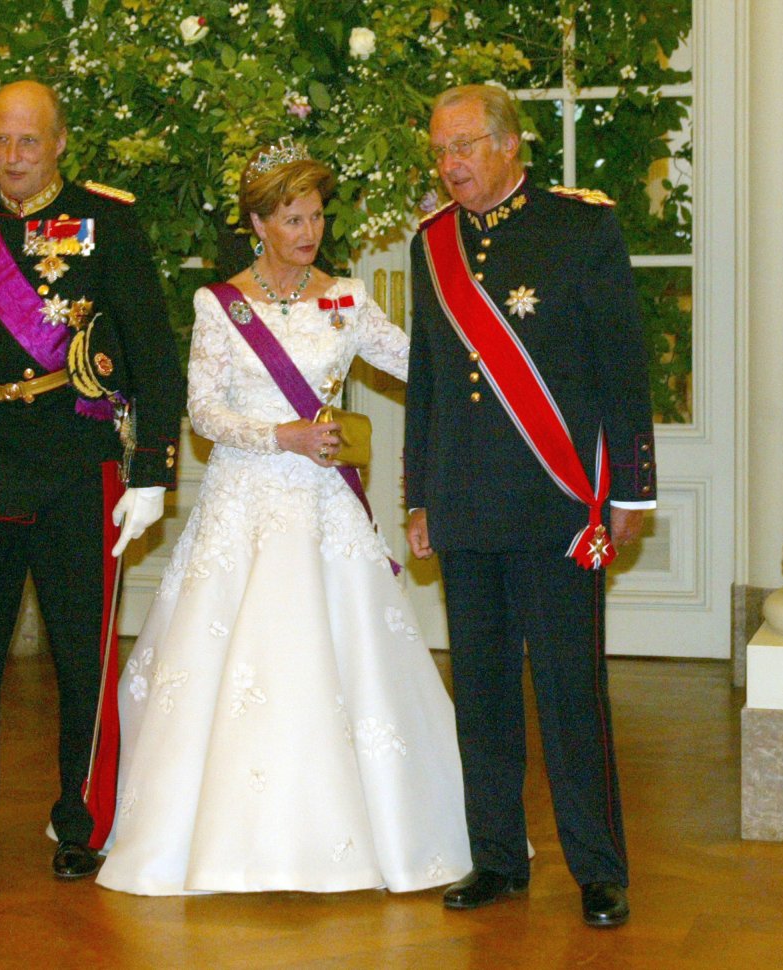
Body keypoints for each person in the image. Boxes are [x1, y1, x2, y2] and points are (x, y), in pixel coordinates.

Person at [95, 140, 472, 895]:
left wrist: (460, 292)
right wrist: (283, 436)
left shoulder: (347, 299)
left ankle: (378, 834)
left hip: (325, 508)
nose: (309, 232)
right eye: (293, 218)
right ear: (259, 223)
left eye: (317, 217)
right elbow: (202, 410)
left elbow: (424, 363)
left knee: (348, 660)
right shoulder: (219, 305)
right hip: (243, 502)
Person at [0, 80, 183, 879]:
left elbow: (154, 353)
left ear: (59, 143)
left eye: (29, 141)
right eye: (0, 141)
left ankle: (81, 819)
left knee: (80, 655)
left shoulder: (107, 219)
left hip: (74, 458)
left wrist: (151, 470)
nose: (13, 157)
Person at [404, 84, 656, 928]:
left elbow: (623, 367)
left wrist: (631, 487)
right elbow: (431, 381)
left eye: (467, 146)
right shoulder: (431, 245)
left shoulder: (580, 228)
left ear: (513, 145)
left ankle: (598, 870)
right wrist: (417, 495)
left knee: (568, 693)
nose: (452, 166)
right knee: (480, 694)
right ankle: (497, 859)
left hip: (556, 505)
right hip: (465, 502)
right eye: (441, 150)